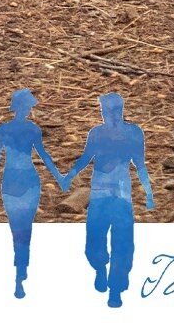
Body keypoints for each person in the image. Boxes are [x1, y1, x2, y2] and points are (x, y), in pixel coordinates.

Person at [62, 94, 153, 310]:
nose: (107, 114)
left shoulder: (132, 133)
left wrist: (149, 192)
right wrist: (70, 174)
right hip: (102, 193)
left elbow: (139, 163)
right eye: (104, 110)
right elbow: (87, 157)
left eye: (111, 110)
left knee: (121, 242)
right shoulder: (98, 133)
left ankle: (115, 287)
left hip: (120, 195)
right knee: (96, 239)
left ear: (119, 110)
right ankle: (101, 268)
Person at [0, 88, 67, 300]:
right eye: (28, 106)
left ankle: (20, 268)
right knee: (23, 226)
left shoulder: (7, 129)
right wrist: (58, 177)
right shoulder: (30, 129)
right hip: (26, 179)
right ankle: (21, 268)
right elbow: (42, 155)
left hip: (15, 179)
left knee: (19, 226)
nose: (29, 109)